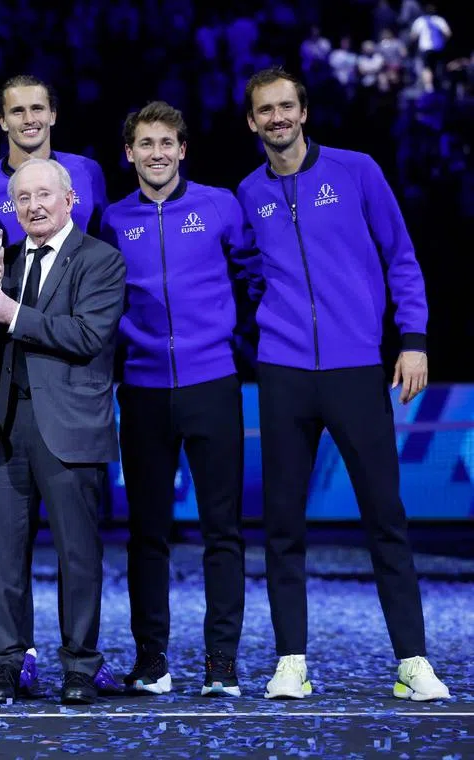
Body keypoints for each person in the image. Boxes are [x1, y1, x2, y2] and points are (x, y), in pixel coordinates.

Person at [236, 66, 450, 701]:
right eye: (264, 111)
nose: (277, 118)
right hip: (283, 372)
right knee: (282, 525)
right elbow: (251, 269)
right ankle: (290, 661)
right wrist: (269, 325)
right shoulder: (250, 192)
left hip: (357, 366)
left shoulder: (357, 171)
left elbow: (402, 256)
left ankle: (413, 661)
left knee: (386, 517)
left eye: (285, 107)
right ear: (252, 123)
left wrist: (413, 339)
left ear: (303, 112)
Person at [100, 101, 262, 698]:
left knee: (223, 530)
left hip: (213, 383)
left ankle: (221, 661)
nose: (157, 153)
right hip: (141, 389)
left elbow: (255, 273)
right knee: (148, 532)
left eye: (167, 142)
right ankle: (152, 660)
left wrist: (239, 339)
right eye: (145, 143)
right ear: (130, 153)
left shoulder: (220, 205)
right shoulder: (114, 219)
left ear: (183, 149)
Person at [0, 158, 126, 705]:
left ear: (70, 200)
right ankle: (8, 662)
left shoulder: (101, 260)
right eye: (23, 198)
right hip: (7, 425)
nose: (34, 206)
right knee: (4, 555)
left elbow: (87, 336)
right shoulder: (2, 262)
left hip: (70, 427)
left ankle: (80, 665)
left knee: (77, 554)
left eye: (44, 195)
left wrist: (11, 313)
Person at [0, 75, 107, 248]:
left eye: (37, 109)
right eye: (17, 111)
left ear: (52, 115)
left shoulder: (88, 171)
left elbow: (106, 243)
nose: (29, 119)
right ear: (2, 121)